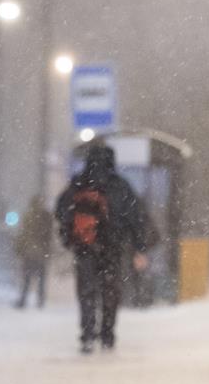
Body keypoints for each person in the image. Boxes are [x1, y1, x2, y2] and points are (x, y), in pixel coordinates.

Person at [55, 142, 151, 354]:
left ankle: (87, 334)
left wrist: (70, 234)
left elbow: (61, 210)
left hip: (85, 246)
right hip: (112, 247)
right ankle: (107, 334)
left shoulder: (78, 183)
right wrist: (139, 247)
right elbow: (135, 218)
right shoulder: (120, 185)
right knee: (110, 291)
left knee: (86, 291)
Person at [13, 194, 52, 309]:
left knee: (27, 278)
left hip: (29, 251)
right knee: (41, 278)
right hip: (41, 251)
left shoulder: (28, 215)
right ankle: (40, 300)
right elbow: (48, 235)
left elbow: (23, 234)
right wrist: (47, 249)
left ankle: (23, 300)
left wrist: (19, 249)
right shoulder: (46, 216)